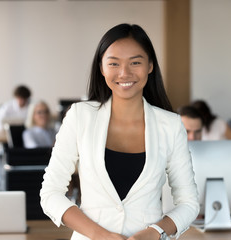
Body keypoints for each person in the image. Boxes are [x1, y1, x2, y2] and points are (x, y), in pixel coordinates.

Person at [40, 23, 199, 240]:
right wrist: (99, 235)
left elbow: (188, 203)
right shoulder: (80, 116)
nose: (124, 73)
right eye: (114, 63)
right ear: (102, 67)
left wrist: (156, 232)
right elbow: (50, 194)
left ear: (150, 66)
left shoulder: (170, 125)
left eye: (135, 62)